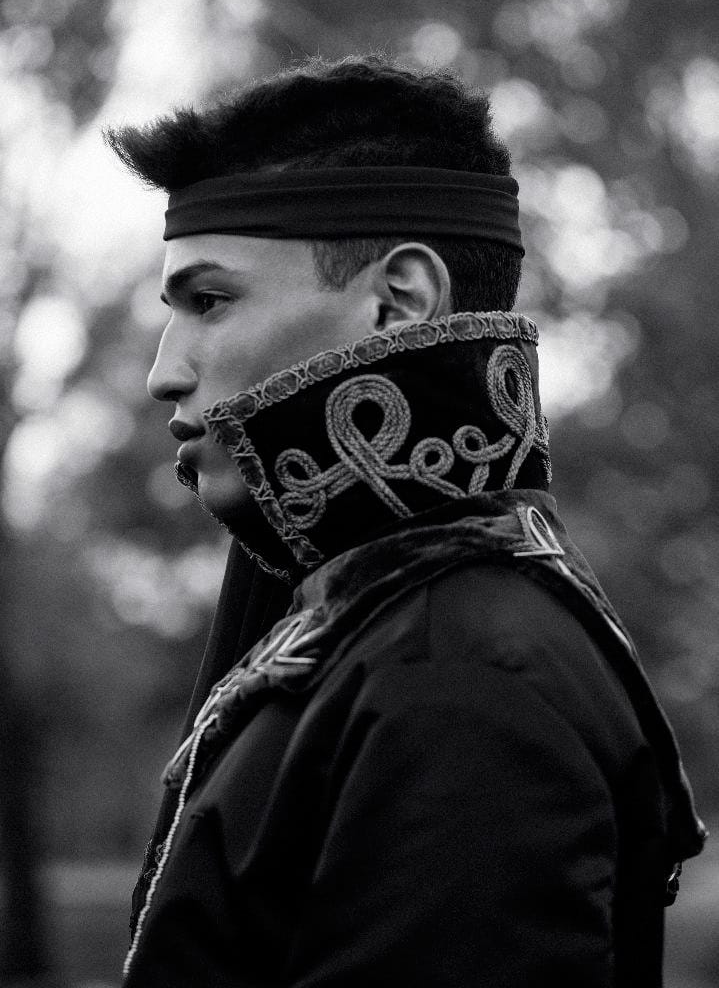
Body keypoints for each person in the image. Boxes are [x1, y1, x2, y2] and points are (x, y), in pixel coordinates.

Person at [106, 56, 705, 988]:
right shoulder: (393, 632)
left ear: (399, 302)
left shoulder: (458, 673)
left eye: (210, 301)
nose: (164, 371)